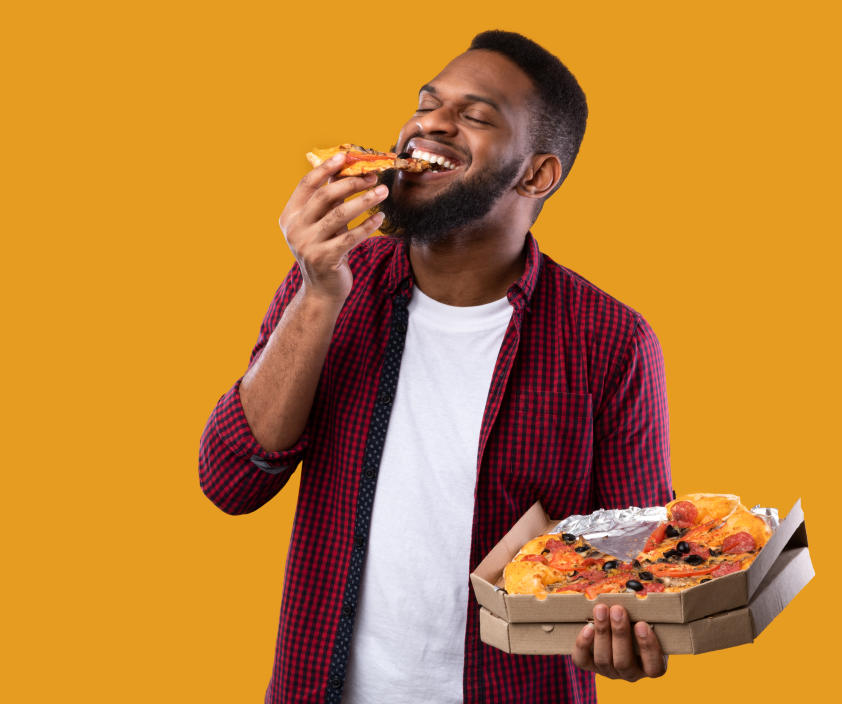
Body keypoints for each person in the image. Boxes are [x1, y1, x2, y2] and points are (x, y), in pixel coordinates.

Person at [199, 30, 672, 704]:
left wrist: (626, 632)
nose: (430, 124)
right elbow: (229, 483)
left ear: (537, 175)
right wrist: (317, 293)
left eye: (475, 116)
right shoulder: (335, 280)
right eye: (427, 104)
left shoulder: (611, 342)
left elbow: (636, 577)